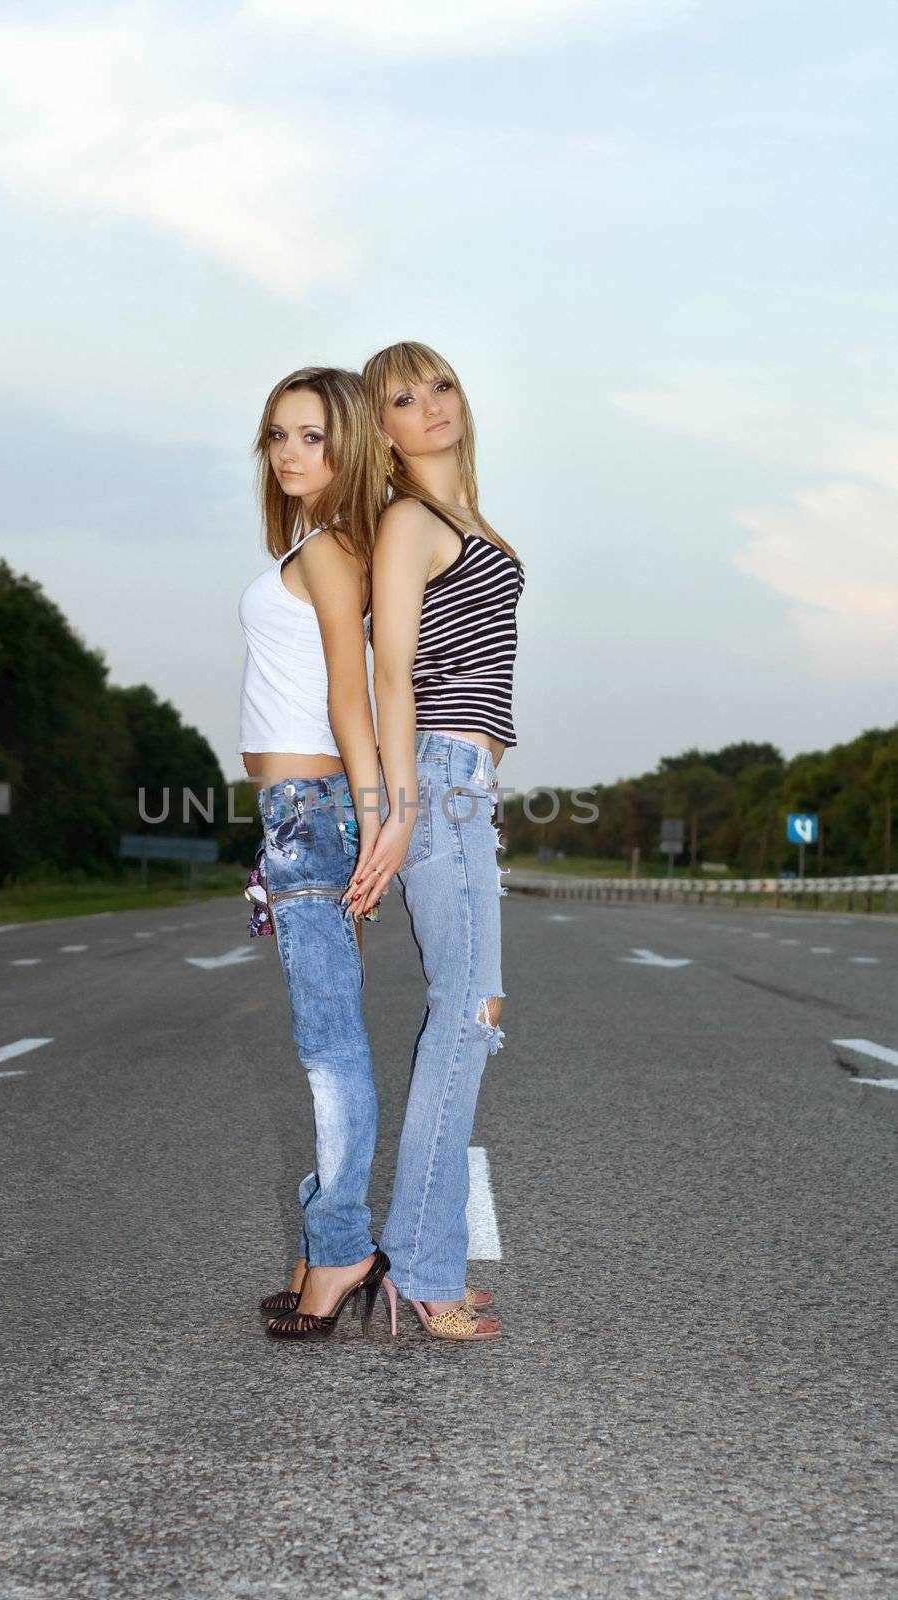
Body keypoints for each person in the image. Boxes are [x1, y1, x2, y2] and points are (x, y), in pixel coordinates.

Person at [351, 340, 526, 1341]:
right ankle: (420, 1267)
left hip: (468, 787)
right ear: (381, 428)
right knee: (469, 1011)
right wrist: (402, 802)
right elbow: (392, 673)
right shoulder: (410, 520)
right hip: (439, 781)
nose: (429, 408)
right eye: (402, 399)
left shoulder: (464, 519)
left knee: (468, 1012)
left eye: (440, 387)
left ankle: (421, 1253)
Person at [236, 365, 389, 1340]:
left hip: (314, 810)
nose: (290, 454)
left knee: (328, 1051)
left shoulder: (333, 551)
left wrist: (375, 822)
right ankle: (321, 1239)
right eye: (278, 435)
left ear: (348, 448)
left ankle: (339, 1248)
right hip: (298, 814)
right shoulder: (316, 542)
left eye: (312, 437)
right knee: (324, 1041)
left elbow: (348, 696)